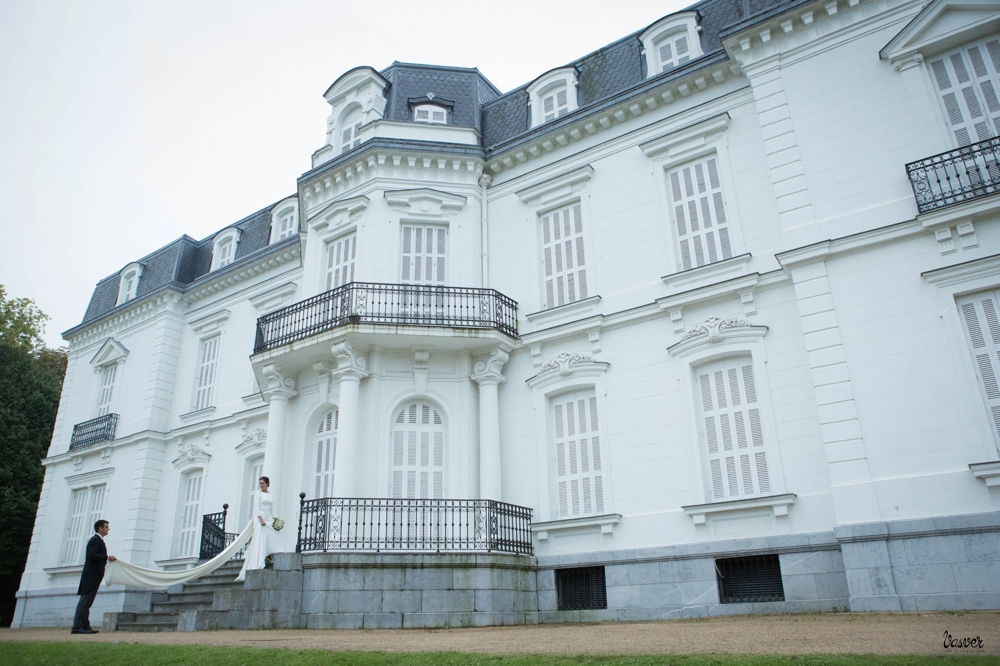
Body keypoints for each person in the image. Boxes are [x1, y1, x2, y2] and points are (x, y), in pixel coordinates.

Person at [72, 520, 116, 634]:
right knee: (85, 601)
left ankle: (84, 626)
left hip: (93, 575)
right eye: (106, 527)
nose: (108, 529)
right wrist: (107, 558)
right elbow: (92, 555)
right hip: (91, 575)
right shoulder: (95, 540)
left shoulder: (97, 540)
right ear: (100, 528)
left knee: (87, 602)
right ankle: (79, 626)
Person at [236, 476, 278, 582]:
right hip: (261, 518)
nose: (261, 485)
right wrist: (260, 519)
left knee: (273, 535)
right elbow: (256, 507)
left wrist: (275, 517)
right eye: (260, 484)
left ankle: (269, 555)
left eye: (263, 483)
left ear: (268, 484)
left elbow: (271, 508)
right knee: (261, 538)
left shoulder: (270, 494)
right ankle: (261, 559)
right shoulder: (258, 494)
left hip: (268, 517)